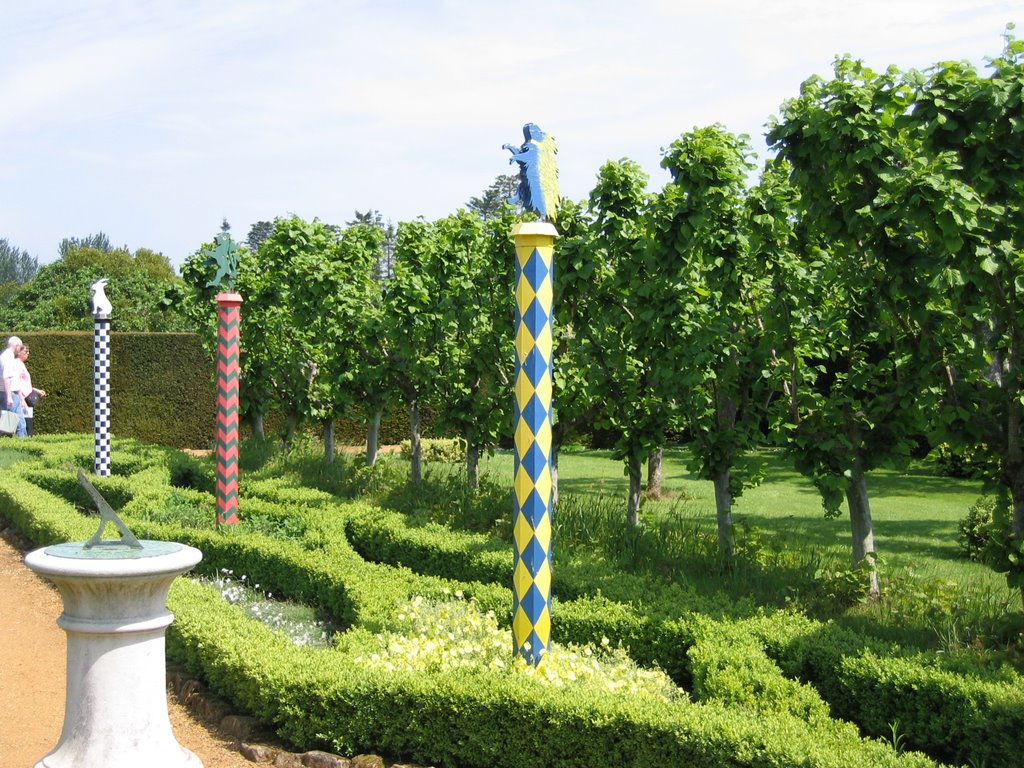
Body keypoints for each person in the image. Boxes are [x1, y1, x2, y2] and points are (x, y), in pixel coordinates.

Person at [7, 344, 43, 437]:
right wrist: (22, 400)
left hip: (26, 396)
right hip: (22, 397)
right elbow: (16, 383)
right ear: (19, 353)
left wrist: (36, 390)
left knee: (27, 421)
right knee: (23, 422)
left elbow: (24, 382)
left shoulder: (20, 364)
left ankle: (26, 440)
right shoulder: (16, 364)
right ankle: (23, 441)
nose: (28, 354)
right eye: (26, 351)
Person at [1, 336, 24, 435]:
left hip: (4, 392)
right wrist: (9, 396)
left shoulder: (3, 355)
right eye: (20, 347)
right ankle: (24, 446)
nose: (20, 349)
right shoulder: (8, 357)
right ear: (16, 346)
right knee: (20, 423)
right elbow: (6, 377)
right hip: (9, 393)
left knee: (7, 423)